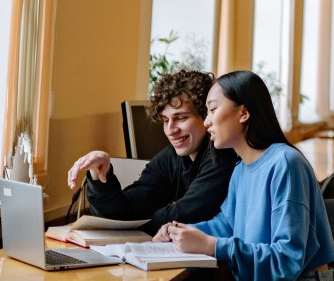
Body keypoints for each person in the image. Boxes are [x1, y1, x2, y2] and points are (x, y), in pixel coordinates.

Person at [150, 69, 334, 281]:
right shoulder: (242, 168)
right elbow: (226, 224)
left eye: (213, 110)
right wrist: (180, 230)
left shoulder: (285, 163)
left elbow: (284, 261)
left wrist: (213, 246)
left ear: (243, 113)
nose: (207, 122)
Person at [66, 69, 234, 235]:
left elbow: (187, 214)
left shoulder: (222, 153)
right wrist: (100, 175)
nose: (170, 130)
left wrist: (141, 220)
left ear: (206, 116)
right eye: (166, 120)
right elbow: (125, 211)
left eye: (181, 118)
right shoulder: (170, 158)